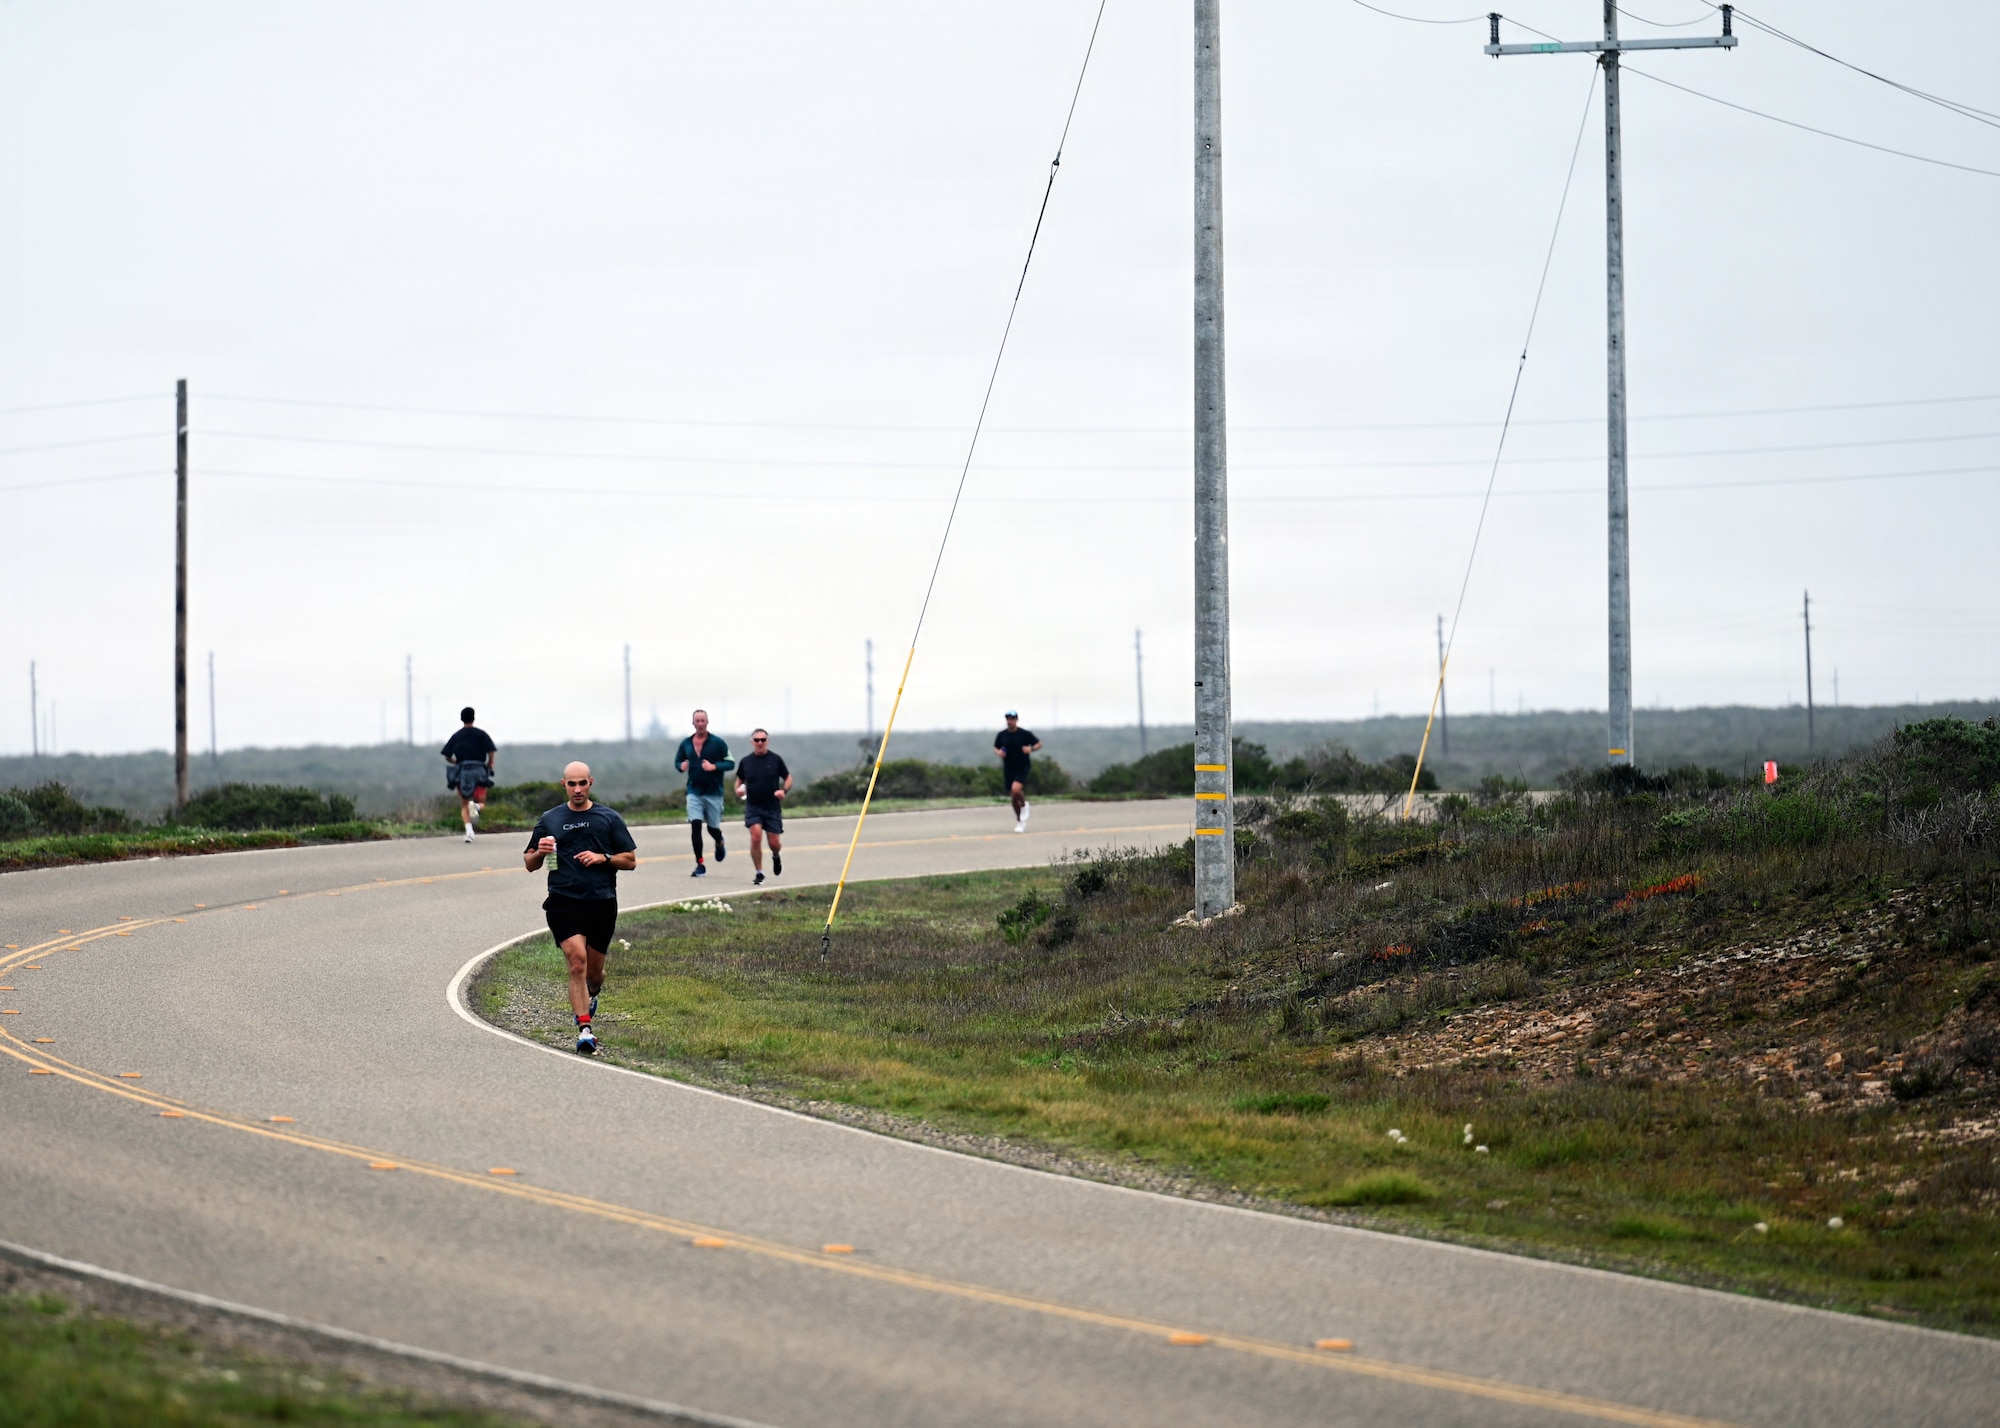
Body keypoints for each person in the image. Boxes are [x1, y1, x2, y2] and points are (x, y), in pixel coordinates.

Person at [523, 762, 637, 1056]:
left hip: (601, 902)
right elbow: (530, 863)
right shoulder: (550, 819)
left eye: (582, 783)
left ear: (590, 783)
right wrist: (540, 852)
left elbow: (630, 860)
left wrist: (604, 858)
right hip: (563, 901)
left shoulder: (609, 817)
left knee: (595, 973)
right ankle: (585, 1030)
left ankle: (593, 993)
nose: (577, 789)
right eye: (571, 784)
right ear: (563, 784)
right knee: (576, 962)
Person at [676, 709, 734, 877]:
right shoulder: (686, 743)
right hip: (694, 790)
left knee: (712, 828)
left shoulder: (718, 743)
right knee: (695, 825)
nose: (700, 724)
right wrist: (681, 766)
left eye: (703, 720)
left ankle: (719, 841)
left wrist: (714, 767)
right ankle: (700, 863)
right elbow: (678, 760)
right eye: (697, 721)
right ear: (693, 723)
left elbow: (730, 763)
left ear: (707, 722)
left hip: (713, 792)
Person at [733, 728, 791, 886]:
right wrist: (738, 790)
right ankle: (759, 872)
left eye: (763, 740)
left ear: (767, 741)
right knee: (756, 836)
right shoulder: (746, 761)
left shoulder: (775, 759)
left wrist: (783, 790)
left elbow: (788, 778)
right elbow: (739, 781)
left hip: (772, 807)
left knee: (774, 843)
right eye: (757, 740)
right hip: (753, 806)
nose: (760, 743)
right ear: (752, 742)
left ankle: (776, 856)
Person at [441, 707, 496, 843]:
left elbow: (447, 755)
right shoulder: (481, 734)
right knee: (481, 801)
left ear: (461, 719)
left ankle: (469, 832)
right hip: (479, 770)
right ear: (474, 717)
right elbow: (491, 750)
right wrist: (490, 763)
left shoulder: (457, 735)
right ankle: (476, 807)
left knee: (465, 804)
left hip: (463, 772)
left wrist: (456, 762)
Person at [993, 710, 1042, 833]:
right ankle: (1020, 820)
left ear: (1016, 720)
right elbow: (996, 747)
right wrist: (999, 752)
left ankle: (1024, 805)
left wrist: (1030, 749)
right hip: (1009, 767)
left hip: (1022, 766)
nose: (1010, 721)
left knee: (1016, 789)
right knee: (1014, 796)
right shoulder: (1002, 735)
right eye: (1008, 719)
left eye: (1012, 719)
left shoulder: (1024, 734)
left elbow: (1039, 744)